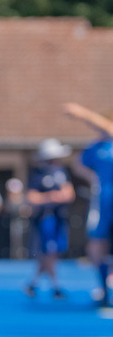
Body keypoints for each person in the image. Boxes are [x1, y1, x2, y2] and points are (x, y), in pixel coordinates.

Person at [63, 102, 113, 308]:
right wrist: (92, 177)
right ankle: (104, 289)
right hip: (103, 200)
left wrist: (82, 113)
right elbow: (78, 164)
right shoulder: (96, 147)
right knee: (96, 244)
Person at [24, 138, 75, 300]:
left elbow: (69, 194)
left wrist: (56, 197)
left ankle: (34, 283)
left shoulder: (61, 173)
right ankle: (54, 285)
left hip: (59, 218)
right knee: (49, 251)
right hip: (45, 218)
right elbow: (32, 197)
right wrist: (50, 197)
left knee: (51, 252)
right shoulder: (38, 175)